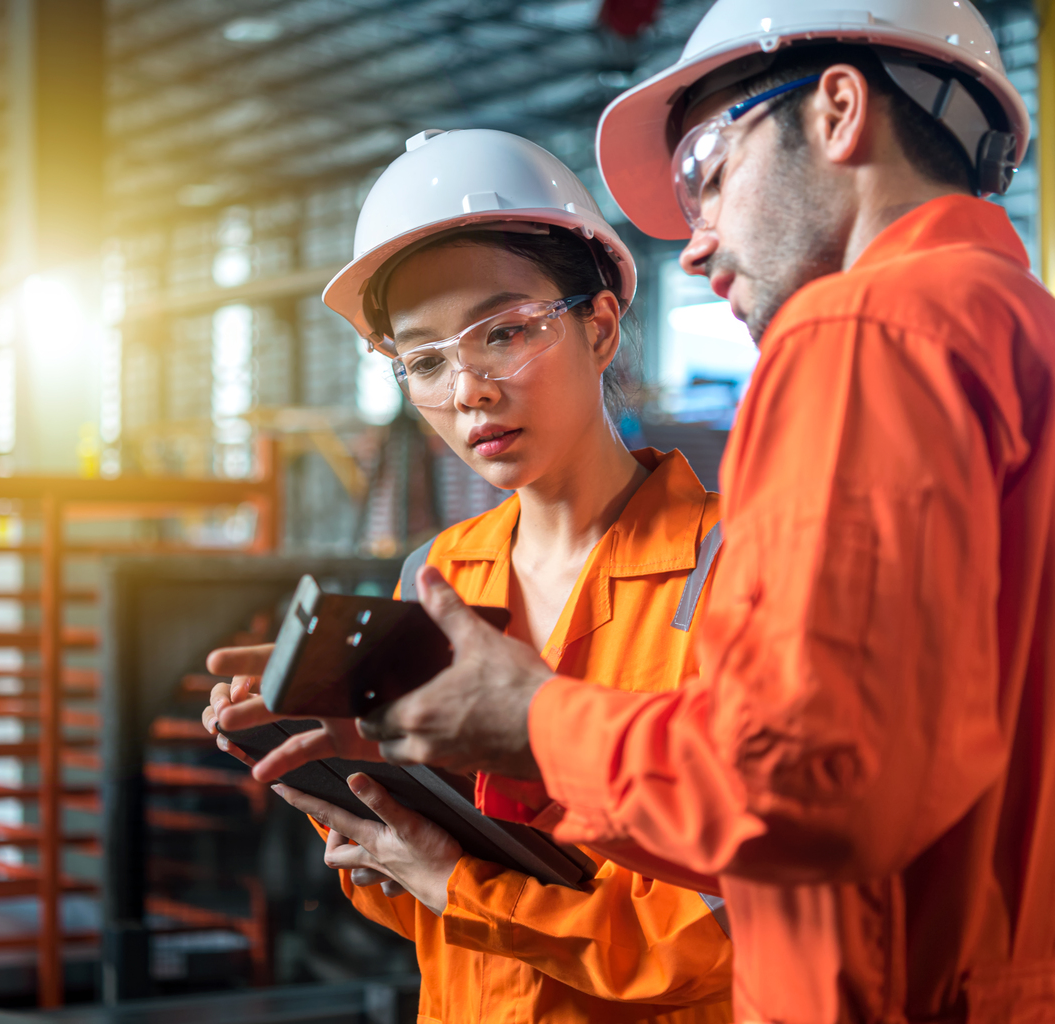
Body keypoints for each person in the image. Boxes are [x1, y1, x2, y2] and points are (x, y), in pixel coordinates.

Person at [221, 2, 1055, 1022]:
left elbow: (803, 790)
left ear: (837, 110)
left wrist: (528, 720)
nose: (693, 246)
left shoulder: (865, 335)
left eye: (708, 167)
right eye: (423, 359)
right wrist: (400, 758)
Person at [207, 128, 735, 1023]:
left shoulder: (733, 563)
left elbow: (726, 920)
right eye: (424, 360)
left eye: (504, 332)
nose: (469, 390)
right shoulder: (441, 575)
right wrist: (355, 796)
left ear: (600, 327)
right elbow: (428, 912)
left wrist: (459, 883)